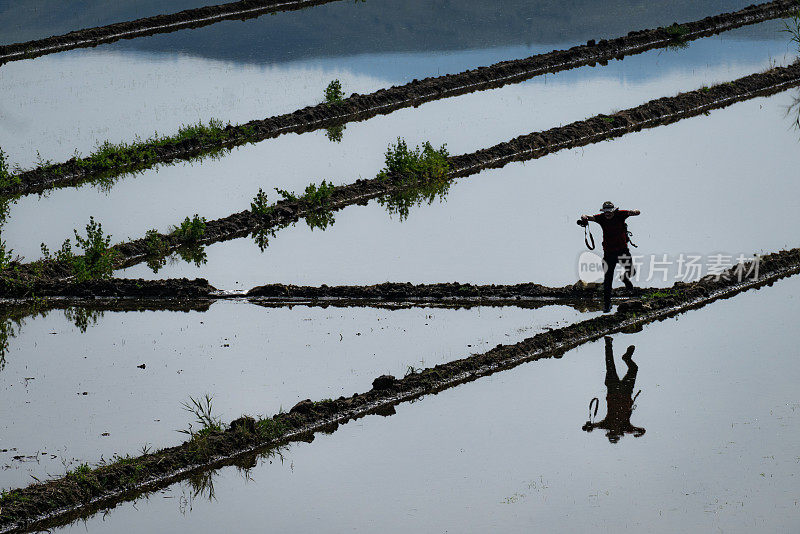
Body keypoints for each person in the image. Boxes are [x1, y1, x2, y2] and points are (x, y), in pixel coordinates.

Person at [582, 337, 645, 443]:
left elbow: (593, 426)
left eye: (611, 432)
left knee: (610, 365)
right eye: (614, 433)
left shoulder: (606, 424)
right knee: (634, 369)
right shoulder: (626, 427)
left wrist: (588, 427)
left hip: (613, 390)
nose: (613, 430)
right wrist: (638, 433)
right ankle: (627, 358)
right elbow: (642, 430)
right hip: (626, 391)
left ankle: (608, 343)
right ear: (619, 433)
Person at [580, 201, 641, 312]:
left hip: (623, 251)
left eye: (609, 211)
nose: (607, 214)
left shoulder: (620, 215)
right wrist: (584, 216)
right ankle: (607, 305)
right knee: (608, 280)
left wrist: (634, 212)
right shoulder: (601, 218)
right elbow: (590, 217)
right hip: (609, 253)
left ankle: (624, 278)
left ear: (613, 211)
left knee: (631, 272)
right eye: (605, 212)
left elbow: (636, 212)